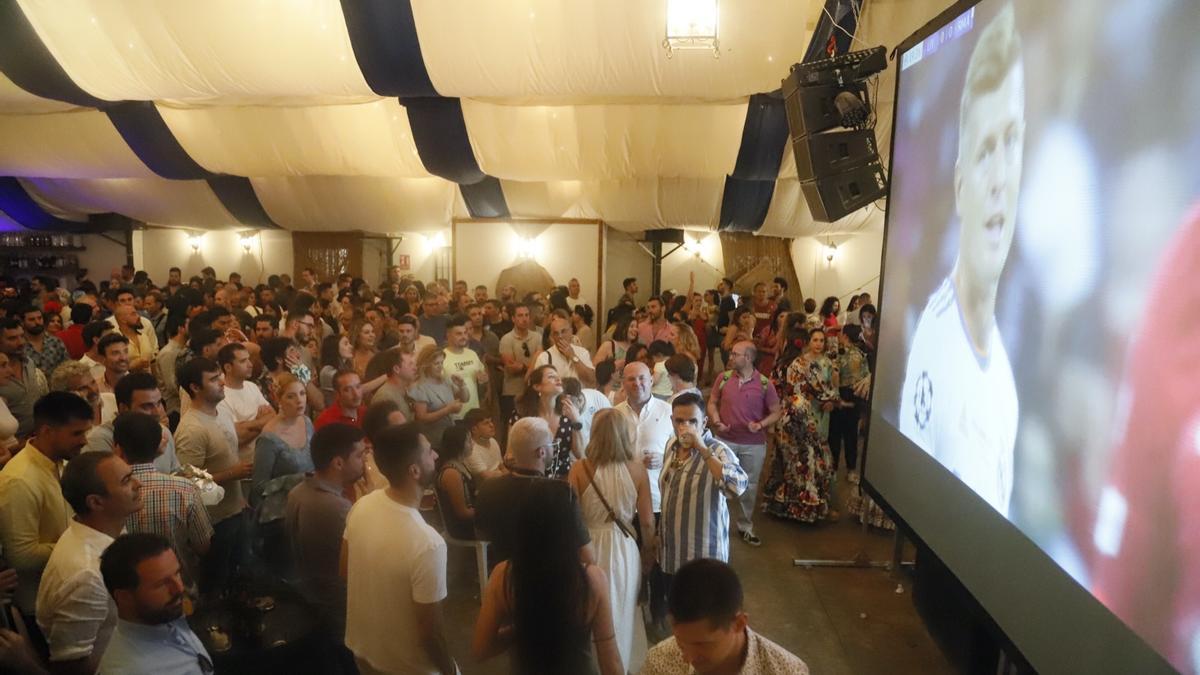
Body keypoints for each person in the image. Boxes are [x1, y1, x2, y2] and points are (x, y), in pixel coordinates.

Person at [898, 2, 1023, 518]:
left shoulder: (1006, 381)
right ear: (959, 183)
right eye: (985, 149)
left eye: (1011, 142)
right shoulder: (935, 345)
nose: (999, 177)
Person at [341, 423, 459, 675]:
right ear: (414, 470)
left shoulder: (362, 506)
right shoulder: (427, 543)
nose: (436, 455)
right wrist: (450, 670)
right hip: (407, 667)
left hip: (363, 653)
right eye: (429, 452)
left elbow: (344, 571)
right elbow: (431, 632)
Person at [472, 484, 623, 675]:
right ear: (570, 529)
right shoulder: (592, 580)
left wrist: (520, 627)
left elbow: (481, 649)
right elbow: (611, 663)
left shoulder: (504, 576)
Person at [37, 451, 143, 672]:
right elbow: (72, 665)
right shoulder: (87, 575)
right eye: (126, 481)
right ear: (96, 502)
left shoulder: (102, 529)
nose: (138, 483)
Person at [567, 409, 655, 673]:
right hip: (625, 545)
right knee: (624, 608)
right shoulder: (638, 471)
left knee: (591, 609)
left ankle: (594, 664)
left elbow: (570, 517)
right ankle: (623, 663)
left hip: (588, 546)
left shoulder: (579, 469)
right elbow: (648, 522)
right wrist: (648, 554)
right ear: (625, 435)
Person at [0, 392, 93, 619]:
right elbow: (21, 556)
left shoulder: (58, 461)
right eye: (76, 433)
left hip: (66, 589)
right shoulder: (20, 480)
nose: (85, 440)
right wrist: (85, 540)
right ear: (46, 432)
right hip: (40, 605)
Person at [286, 423, 366, 673]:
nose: (365, 461)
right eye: (360, 455)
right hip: (338, 611)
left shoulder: (298, 491)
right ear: (338, 463)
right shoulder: (337, 509)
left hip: (311, 599)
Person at [640, 559, 808, 675]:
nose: (688, 658)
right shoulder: (659, 664)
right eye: (681, 641)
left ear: (739, 623)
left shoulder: (787, 670)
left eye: (702, 644)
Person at [112, 411, 212, 594]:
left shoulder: (109, 494)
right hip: (180, 586)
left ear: (117, 449)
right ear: (159, 446)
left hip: (128, 593)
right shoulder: (184, 488)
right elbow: (203, 544)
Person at [658, 393, 747, 598]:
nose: (685, 426)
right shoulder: (671, 445)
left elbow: (737, 487)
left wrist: (703, 449)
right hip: (671, 555)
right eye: (680, 421)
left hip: (703, 560)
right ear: (672, 420)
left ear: (704, 422)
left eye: (692, 421)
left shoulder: (719, 450)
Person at [174, 357, 250, 594]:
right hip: (213, 522)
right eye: (214, 379)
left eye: (220, 376)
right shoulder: (191, 429)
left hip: (235, 510)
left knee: (238, 578)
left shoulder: (220, 413)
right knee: (216, 584)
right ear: (195, 387)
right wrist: (231, 474)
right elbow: (188, 483)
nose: (222, 383)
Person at [474, 417, 592, 565]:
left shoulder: (489, 487)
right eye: (551, 444)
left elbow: (481, 533)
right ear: (541, 452)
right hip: (551, 577)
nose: (554, 448)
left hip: (506, 576)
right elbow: (586, 555)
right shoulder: (560, 493)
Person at [96, 534, 212, 675]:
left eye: (177, 574)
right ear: (124, 597)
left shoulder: (161, 615)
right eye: (162, 584)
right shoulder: (130, 669)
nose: (179, 588)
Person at [707, 341, 782, 547]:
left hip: (753, 444)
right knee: (717, 483)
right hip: (724, 441)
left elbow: (776, 411)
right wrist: (715, 419)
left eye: (734, 354)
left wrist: (761, 424)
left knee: (749, 486)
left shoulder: (765, 384)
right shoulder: (723, 378)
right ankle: (714, 523)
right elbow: (712, 401)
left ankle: (744, 525)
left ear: (748, 358)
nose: (730, 357)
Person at [762, 328, 840, 522]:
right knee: (801, 459)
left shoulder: (828, 363)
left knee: (817, 458)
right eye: (815, 340)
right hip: (799, 415)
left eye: (822, 340)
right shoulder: (799, 363)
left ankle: (813, 503)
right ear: (808, 342)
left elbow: (832, 389)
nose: (818, 344)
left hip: (821, 415)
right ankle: (793, 504)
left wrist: (832, 400)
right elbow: (799, 390)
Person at [84, 371, 180, 474]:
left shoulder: (163, 433)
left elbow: (175, 473)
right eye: (147, 406)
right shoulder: (99, 439)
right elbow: (108, 485)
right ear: (124, 408)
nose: (157, 412)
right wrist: (149, 456)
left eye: (159, 403)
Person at [509, 365, 582, 480]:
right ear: (537, 386)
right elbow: (510, 455)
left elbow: (580, 454)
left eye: (559, 377)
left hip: (563, 481)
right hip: (532, 482)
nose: (558, 380)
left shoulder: (568, 413)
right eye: (551, 377)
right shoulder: (522, 415)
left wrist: (576, 421)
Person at [253, 372, 315, 501]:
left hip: (311, 498)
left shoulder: (307, 422)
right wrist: (293, 480)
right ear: (278, 399)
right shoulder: (269, 438)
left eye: (302, 393)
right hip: (283, 506)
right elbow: (259, 487)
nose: (299, 400)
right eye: (291, 396)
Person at [215, 343, 274, 463]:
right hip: (241, 466)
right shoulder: (221, 396)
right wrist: (261, 421)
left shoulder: (251, 386)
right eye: (243, 361)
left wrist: (250, 425)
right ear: (228, 367)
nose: (250, 364)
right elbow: (236, 438)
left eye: (249, 359)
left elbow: (273, 416)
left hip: (263, 460)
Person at [830, 326, 870, 480]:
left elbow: (832, 378)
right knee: (851, 435)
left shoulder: (837, 355)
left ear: (845, 336)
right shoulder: (861, 354)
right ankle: (851, 470)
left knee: (834, 434)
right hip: (855, 397)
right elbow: (866, 377)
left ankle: (832, 468)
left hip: (838, 395)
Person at [0, 317, 49, 438]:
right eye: (12, 338)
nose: (21, 342)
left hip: (37, 437)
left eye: (22, 336)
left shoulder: (29, 363)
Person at [498, 303, 542, 434]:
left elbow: (540, 365)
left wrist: (522, 366)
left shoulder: (537, 337)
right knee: (513, 429)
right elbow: (511, 368)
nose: (524, 319)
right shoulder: (506, 339)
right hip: (513, 390)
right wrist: (530, 366)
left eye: (527, 315)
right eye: (520, 315)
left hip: (533, 390)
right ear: (513, 319)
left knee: (533, 428)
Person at [433, 422, 476, 540]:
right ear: (459, 444)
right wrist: (485, 509)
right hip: (462, 529)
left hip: (472, 519)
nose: (473, 444)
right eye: (469, 441)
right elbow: (462, 512)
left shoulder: (461, 464)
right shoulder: (451, 472)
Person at [442, 314, 488, 419]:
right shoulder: (442, 357)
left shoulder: (472, 354)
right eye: (458, 334)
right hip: (453, 414)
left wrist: (484, 379)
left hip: (473, 411)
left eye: (465, 333)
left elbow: (483, 377)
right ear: (448, 335)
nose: (464, 337)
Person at [534, 314, 596, 387]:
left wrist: (573, 357)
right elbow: (537, 386)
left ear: (571, 331)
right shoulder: (544, 357)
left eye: (563, 331)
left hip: (580, 396)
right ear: (552, 336)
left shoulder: (582, 352)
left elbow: (591, 379)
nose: (560, 336)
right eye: (556, 333)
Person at [21, 305, 69, 378]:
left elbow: (66, 366)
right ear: (22, 322)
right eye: (31, 319)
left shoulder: (56, 342)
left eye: (39, 318)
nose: (37, 322)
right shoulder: (20, 345)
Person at [369, 348, 416, 422]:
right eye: (410, 364)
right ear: (396, 369)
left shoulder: (404, 390)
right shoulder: (385, 397)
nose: (415, 368)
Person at [462, 408, 502, 480]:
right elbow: (487, 477)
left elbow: (501, 466)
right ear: (474, 429)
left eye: (491, 421)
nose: (492, 425)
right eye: (486, 423)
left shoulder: (493, 441)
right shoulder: (470, 450)